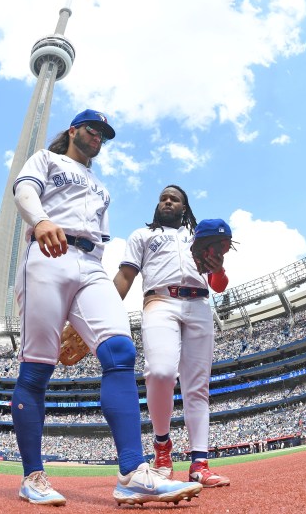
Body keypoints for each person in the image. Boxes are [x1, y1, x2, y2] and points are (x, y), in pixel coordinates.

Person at [10, 110, 202, 506]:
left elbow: (99, 236)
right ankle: (33, 475)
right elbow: (23, 190)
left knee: (120, 352)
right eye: (92, 128)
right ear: (74, 130)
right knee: (37, 367)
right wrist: (41, 219)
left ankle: (133, 472)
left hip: (91, 263)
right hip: (47, 253)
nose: (98, 135)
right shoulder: (47, 159)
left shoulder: (101, 187)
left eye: (104, 133)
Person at [113, 185, 230, 487]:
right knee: (161, 372)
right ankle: (162, 446)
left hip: (199, 304)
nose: (166, 201)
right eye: (163, 197)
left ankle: (199, 464)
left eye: (174, 199)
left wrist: (218, 269)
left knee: (197, 387)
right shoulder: (142, 235)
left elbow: (218, 284)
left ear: (184, 207)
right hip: (160, 301)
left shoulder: (199, 239)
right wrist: (105, 311)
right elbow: (126, 276)